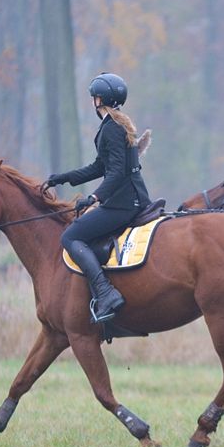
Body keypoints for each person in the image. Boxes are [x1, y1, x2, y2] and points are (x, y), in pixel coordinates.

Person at [44, 73, 151, 323]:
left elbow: (115, 174)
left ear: (99, 99)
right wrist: (64, 177)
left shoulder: (112, 129)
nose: (93, 101)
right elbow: (99, 167)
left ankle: (105, 293)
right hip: (130, 199)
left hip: (123, 204)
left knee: (70, 236)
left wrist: (93, 197)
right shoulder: (114, 126)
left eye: (94, 97)